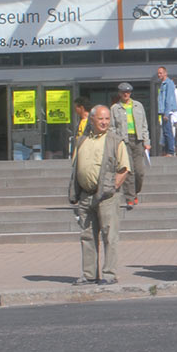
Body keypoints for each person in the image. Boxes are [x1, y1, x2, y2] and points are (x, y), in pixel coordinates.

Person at [69, 105, 128, 286]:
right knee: (87, 236)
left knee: (109, 235)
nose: (104, 122)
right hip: (86, 196)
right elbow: (75, 167)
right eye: (101, 119)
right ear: (92, 120)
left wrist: (111, 188)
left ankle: (109, 274)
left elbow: (124, 169)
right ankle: (89, 275)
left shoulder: (115, 140)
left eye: (107, 119)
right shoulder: (82, 140)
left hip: (107, 197)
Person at [110, 83, 150, 208]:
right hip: (123, 140)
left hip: (137, 139)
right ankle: (130, 197)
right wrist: (115, 142)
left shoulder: (138, 106)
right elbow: (112, 127)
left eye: (128, 92)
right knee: (128, 170)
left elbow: (144, 125)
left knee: (140, 171)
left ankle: (135, 192)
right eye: (123, 92)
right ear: (119, 93)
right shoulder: (115, 108)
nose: (125, 94)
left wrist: (146, 141)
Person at [154, 66, 177, 156]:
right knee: (164, 131)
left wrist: (166, 112)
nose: (159, 75)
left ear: (165, 73)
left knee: (168, 131)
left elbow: (169, 98)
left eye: (161, 73)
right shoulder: (163, 84)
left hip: (167, 111)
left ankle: (170, 151)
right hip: (163, 110)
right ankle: (165, 150)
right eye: (158, 73)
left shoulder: (169, 83)